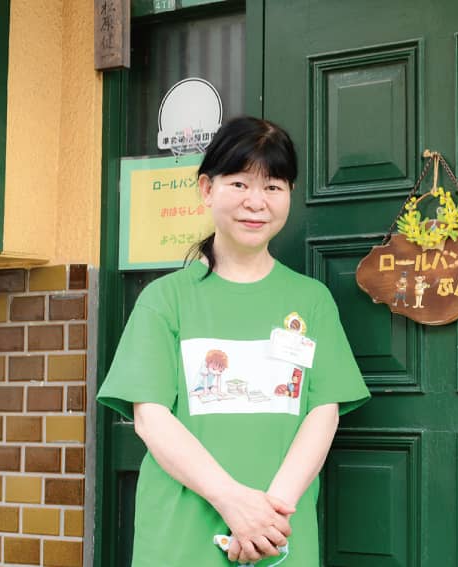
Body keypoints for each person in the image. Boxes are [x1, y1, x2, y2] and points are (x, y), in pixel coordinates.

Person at [97, 116, 371, 566]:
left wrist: (268, 517)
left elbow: (323, 414)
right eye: (240, 184)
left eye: (273, 187)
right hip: (181, 535)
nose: (256, 203)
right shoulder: (165, 300)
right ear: (207, 189)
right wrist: (232, 503)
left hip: (280, 532)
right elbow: (151, 419)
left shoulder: (312, 300)